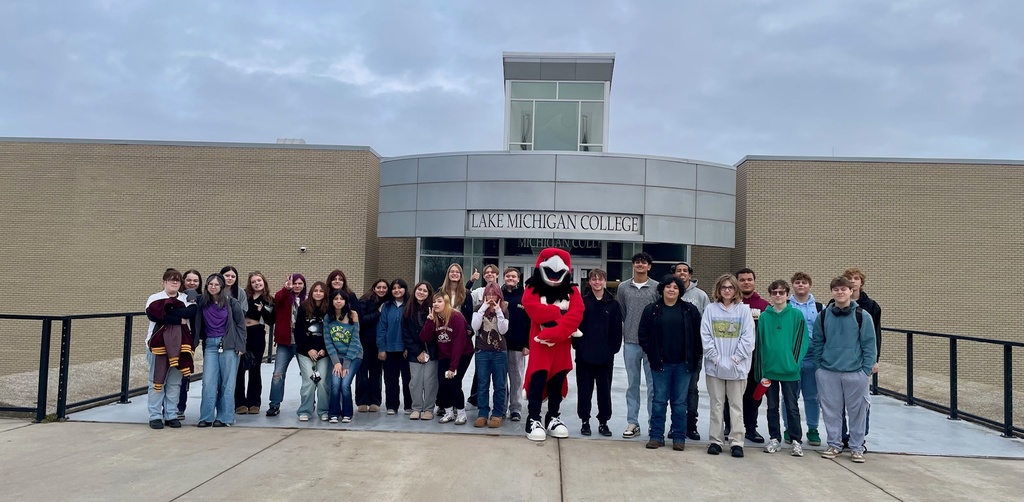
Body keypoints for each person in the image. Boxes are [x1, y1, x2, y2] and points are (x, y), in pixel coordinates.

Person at [812, 276, 876, 463]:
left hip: (855, 373)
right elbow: (817, 342)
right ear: (832, 292)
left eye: (843, 289)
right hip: (828, 371)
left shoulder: (862, 316)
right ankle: (834, 444)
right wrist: (819, 367)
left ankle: (857, 447)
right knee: (831, 411)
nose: (840, 292)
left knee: (857, 412)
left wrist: (865, 371)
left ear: (850, 291)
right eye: (836, 289)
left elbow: (870, 345)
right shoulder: (823, 316)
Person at [639, 275, 702, 451]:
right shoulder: (652, 310)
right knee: (658, 401)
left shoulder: (690, 311)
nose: (671, 290)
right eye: (668, 286)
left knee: (680, 403)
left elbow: (697, 338)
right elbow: (643, 334)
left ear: (680, 291)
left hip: (683, 365)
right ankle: (656, 436)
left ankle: (679, 438)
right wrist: (651, 353)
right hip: (660, 364)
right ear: (662, 289)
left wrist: (695, 358)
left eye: (675, 287)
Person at [701, 274, 755, 458]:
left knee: (736, 406)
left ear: (736, 290)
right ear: (718, 289)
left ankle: (736, 442)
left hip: (737, 367)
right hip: (714, 366)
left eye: (730, 287)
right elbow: (705, 335)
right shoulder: (710, 309)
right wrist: (714, 357)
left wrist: (736, 359)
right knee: (716, 405)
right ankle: (715, 440)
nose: (727, 290)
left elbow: (748, 339)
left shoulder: (743, 311)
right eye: (724, 287)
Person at [758, 280, 808, 457]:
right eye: (774, 293)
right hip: (770, 370)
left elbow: (802, 341)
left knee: (792, 406)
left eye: (781, 292)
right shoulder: (764, 316)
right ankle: (774, 438)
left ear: (787, 294)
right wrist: (762, 367)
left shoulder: (796, 315)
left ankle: (796, 440)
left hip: (790, 371)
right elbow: (761, 343)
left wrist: (794, 362)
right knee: (772, 407)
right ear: (770, 295)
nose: (778, 295)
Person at [573, 268, 622, 437]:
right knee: (584, 391)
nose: (597, 282)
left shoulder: (613, 304)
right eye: (593, 279)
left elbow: (617, 331)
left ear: (605, 281)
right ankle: (585, 421)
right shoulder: (582, 302)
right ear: (589, 282)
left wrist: (612, 350)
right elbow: (575, 325)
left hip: (605, 357)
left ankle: (603, 422)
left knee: (604, 391)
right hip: (584, 356)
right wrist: (579, 346)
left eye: (600, 279)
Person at [145, 268, 196, 429]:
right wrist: (178, 318)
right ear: (164, 281)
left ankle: (171, 414)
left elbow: (191, 312)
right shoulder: (154, 298)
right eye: (171, 279)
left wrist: (169, 311)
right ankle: (155, 416)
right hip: (157, 347)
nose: (174, 282)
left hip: (180, 346)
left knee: (174, 383)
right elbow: (155, 315)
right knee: (156, 381)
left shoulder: (186, 298)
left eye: (178, 280)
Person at [616, 252, 660, 439]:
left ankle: (653, 424)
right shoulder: (623, 287)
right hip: (631, 343)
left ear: (649, 266)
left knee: (653, 386)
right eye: (637, 262)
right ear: (633, 265)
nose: (640, 265)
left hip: (651, 345)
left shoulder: (657, 287)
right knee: (633, 384)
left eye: (644, 262)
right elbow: (622, 312)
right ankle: (632, 422)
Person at [195, 273, 247, 427]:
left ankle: (225, 418)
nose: (213, 287)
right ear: (206, 286)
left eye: (217, 284)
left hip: (229, 345)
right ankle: (206, 417)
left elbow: (241, 326)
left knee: (228, 383)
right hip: (210, 345)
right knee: (209, 382)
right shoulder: (202, 302)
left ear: (222, 287)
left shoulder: (232, 303)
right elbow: (188, 293)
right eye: (210, 284)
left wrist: (240, 346)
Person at [728, 267, 770, 444]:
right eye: (742, 279)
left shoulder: (764, 306)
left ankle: (750, 428)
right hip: (732, 358)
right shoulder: (730, 304)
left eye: (749, 279)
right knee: (730, 395)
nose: (746, 282)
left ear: (754, 281)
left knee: (753, 396)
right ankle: (729, 427)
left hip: (755, 360)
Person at [421, 293, 472, 425]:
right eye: (434, 302)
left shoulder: (456, 317)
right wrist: (429, 322)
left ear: (447, 303)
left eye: (439, 301)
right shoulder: (435, 318)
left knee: (454, 383)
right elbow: (425, 338)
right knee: (442, 384)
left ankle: (461, 413)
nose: (435, 304)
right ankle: (448, 412)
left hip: (462, 354)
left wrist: (453, 368)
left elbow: (459, 343)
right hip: (444, 355)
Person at [673, 261, 710, 441]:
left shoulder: (700, 295)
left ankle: (691, 425)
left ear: (690, 274)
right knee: (676, 390)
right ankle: (675, 424)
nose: (682, 273)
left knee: (691, 389)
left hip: (694, 349)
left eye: (685, 271)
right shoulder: (669, 291)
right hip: (674, 350)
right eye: (678, 271)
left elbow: (708, 321)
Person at [788, 272, 824, 446]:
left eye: (804, 282)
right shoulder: (786, 305)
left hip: (812, 357)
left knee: (812, 396)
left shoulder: (819, 307)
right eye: (797, 282)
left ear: (809, 285)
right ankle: (789, 428)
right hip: (792, 357)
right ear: (792, 286)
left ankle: (813, 428)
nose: (800, 285)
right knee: (789, 396)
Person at [266, 273, 305, 417]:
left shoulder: (307, 300)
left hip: (302, 344)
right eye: (295, 283)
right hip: (284, 343)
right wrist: (286, 289)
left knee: (307, 375)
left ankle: (309, 402)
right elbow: (278, 298)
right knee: (278, 374)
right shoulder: (283, 297)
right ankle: (274, 405)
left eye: (300, 283)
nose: (297, 286)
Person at [235, 271, 274, 416]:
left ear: (264, 282)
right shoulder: (245, 296)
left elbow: (271, 320)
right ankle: (239, 403)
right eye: (254, 281)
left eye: (259, 280)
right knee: (239, 368)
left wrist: (262, 309)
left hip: (257, 333)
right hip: (242, 333)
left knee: (254, 368)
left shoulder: (269, 300)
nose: (257, 283)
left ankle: (254, 402)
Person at [471, 283, 509, 428]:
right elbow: (474, 326)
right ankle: (482, 414)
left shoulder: (504, 308)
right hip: (482, 351)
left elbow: (503, 330)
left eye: (494, 294)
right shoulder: (478, 308)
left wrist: (499, 311)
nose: (491, 297)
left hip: (499, 352)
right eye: (489, 294)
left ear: (499, 295)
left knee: (499, 385)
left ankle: (497, 414)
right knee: (482, 384)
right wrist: (482, 309)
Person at [323, 290, 363, 424]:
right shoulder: (328, 317)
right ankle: (333, 413)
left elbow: (355, 341)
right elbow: (328, 341)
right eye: (335, 299)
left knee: (345, 384)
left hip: (354, 355)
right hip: (336, 357)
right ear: (332, 301)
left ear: (346, 301)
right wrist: (336, 363)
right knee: (335, 384)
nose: (338, 301)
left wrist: (346, 364)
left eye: (341, 299)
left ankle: (347, 413)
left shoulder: (353, 315)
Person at [294, 281, 330, 422]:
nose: (318, 293)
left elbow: (331, 332)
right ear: (311, 292)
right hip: (305, 353)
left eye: (321, 291)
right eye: (316, 290)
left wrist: (324, 350)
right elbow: (299, 331)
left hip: (323, 353)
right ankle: (305, 410)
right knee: (309, 381)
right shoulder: (304, 308)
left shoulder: (329, 309)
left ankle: (323, 410)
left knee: (322, 383)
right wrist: (309, 349)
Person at [402, 281, 437, 420]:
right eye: (419, 289)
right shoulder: (408, 309)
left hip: (432, 351)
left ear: (429, 294)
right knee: (415, 381)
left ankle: (428, 409)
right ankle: (416, 408)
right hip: (414, 352)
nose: (421, 292)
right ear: (415, 290)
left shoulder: (434, 309)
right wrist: (417, 352)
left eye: (425, 291)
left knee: (430, 381)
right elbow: (405, 334)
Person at [377, 278, 411, 415]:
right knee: (390, 379)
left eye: (400, 287)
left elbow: (413, 328)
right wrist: (382, 348)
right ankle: (392, 405)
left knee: (408, 379)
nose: (397, 290)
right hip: (389, 350)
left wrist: (410, 347)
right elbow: (382, 328)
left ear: (405, 289)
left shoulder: (410, 305)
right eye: (394, 288)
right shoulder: (386, 306)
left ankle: (409, 405)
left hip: (406, 350)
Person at [501, 268, 530, 422]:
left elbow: (530, 322)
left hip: (518, 345)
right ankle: (501, 407)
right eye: (508, 276)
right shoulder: (498, 294)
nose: (510, 278)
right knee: (501, 379)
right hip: (499, 345)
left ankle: (516, 409)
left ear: (518, 279)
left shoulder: (525, 296)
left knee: (517, 378)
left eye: (513, 276)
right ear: (504, 278)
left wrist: (527, 344)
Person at [356, 279, 388, 413]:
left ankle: (375, 401)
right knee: (362, 373)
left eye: (384, 288)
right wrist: (378, 312)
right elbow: (361, 320)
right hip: (364, 342)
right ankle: (362, 401)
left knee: (376, 374)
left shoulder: (388, 303)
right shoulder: (364, 301)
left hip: (379, 344)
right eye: (379, 287)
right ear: (374, 288)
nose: (381, 290)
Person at [175, 268, 202, 420]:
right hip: (175, 340)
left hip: (189, 341)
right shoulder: (177, 297)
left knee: (184, 375)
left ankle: (179, 408)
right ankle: (172, 407)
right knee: (173, 375)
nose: (192, 283)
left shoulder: (200, 298)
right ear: (183, 281)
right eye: (189, 280)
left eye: (195, 280)